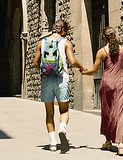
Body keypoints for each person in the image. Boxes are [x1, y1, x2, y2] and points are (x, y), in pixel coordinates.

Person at [33, 19, 87, 152]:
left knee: (49, 113)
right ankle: (62, 128)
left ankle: (52, 143)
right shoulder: (66, 42)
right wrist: (82, 67)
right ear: (63, 30)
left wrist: (43, 72)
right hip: (62, 79)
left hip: (46, 80)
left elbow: (35, 62)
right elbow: (73, 61)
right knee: (64, 110)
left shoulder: (41, 42)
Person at [81, 26, 123, 156]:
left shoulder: (102, 51)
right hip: (121, 84)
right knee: (120, 114)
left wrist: (84, 71)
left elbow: (93, 70)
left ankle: (108, 141)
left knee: (107, 112)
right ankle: (120, 144)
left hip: (107, 84)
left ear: (104, 37)